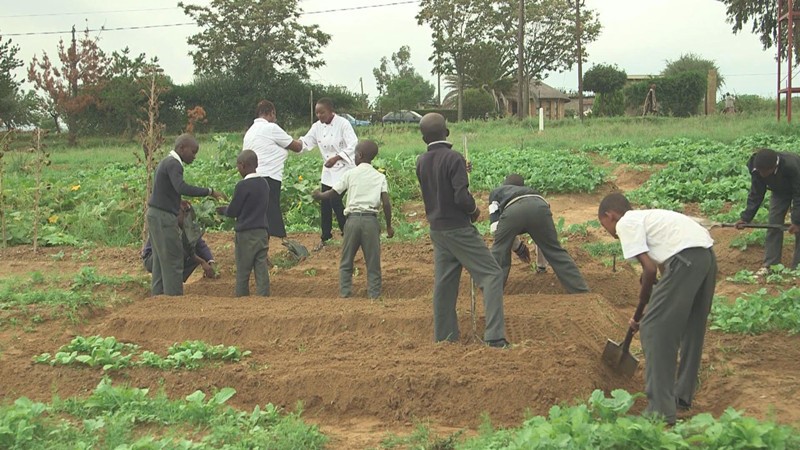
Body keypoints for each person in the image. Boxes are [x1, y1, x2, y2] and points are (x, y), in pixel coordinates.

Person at [598, 193, 716, 425]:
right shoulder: (650, 219)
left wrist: (640, 314)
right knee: (692, 328)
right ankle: (681, 398)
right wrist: (646, 306)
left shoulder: (626, 223)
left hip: (685, 260)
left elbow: (650, 271)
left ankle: (660, 411)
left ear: (609, 216)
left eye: (605, 227)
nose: (609, 233)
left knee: (653, 329)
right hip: (705, 257)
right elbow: (657, 274)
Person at [416, 112, 508, 347]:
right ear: (446, 132)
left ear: (423, 137)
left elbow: (439, 182)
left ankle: (445, 338)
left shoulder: (421, 161)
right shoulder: (453, 158)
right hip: (458, 228)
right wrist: (474, 210)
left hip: (437, 229)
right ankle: (495, 338)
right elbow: (460, 197)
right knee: (492, 274)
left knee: (445, 284)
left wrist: (459, 169)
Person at [312, 140, 394, 298]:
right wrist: (389, 227)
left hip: (353, 221)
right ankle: (374, 296)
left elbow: (334, 193)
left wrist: (319, 196)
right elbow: (386, 203)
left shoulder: (350, 174)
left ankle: (345, 295)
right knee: (373, 262)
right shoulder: (379, 176)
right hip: (371, 221)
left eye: (355, 154)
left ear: (360, 155)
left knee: (346, 260)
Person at [146, 134, 223, 296]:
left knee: (161, 261)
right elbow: (180, 187)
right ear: (182, 148)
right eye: (193, 152)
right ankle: (174, 303)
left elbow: (169, 190)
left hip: (154, 214)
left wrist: (176, 201)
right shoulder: (175, 164)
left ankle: (158, 301)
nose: (194, 157)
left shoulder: (165, 162)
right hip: (164, 217)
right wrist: (209, 191)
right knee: (173, 260)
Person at [489, 174, 589, 293]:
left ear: (504, 184)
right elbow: (542, 238)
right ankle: (581, 291)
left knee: (500, 251)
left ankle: (491, 292)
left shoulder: (497, 192)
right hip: (540, 206)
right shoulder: (531, 191)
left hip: (513, 210)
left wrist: (518, 248)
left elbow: (496, 229)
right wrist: (541, 265)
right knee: (554, 250)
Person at [299, 97, 358, 251]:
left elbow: (353, 144)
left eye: (322, 112)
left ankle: (347, 234)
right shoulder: (317, 127)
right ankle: (326, 236)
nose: (319, 116)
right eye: (317, 113)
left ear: (331, 111)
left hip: (344, 168)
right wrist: (290, 144)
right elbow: (307, 142)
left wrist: (337, 157)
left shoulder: (343, 124)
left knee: (335, 200)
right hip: (328, 170)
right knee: (325, 203)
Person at [243, 100, 303, 241]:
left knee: (258, 213)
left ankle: (259, 246)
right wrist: (304, 141)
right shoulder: (271, 128)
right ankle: (277, 246)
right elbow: (296, 147)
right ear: (271, 113)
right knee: (271, 212)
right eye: (274, 115)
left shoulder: (250, 131)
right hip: (269, 176)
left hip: (251, 177)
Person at [735, 148, 800, 272]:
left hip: (798, 188)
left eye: (764, 172)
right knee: (773, 224)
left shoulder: (791, 165)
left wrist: (796, 221)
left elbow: (798, 194)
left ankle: (798, 268)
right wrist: (745, 218)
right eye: (759, 171)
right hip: (779, 191)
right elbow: (756, 193)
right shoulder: (755, 167)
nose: (761, 174)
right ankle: (771, 264)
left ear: (774, 167)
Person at [217, 150, 271, 297]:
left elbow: (234, 210)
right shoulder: (264, 184)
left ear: (243, 165)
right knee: (261, 268)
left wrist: (223, 210)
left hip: (246, 233)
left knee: (243, 269)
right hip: (262, 232)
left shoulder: (242, 186)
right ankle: (264, 298)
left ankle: (242, 302)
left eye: (238, 166)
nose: (237, 169)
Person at [142, 201, 215, 281]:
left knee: (197, 251)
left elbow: (200, 245)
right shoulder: (168, 225)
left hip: (168, 256)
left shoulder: (186, 227)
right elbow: (177, 248)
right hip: (152, 258)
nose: (187, 218)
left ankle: (177, 279)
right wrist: (202, 261)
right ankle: (168, 281)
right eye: (185, 215)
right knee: (178, 252)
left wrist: (210, 262)